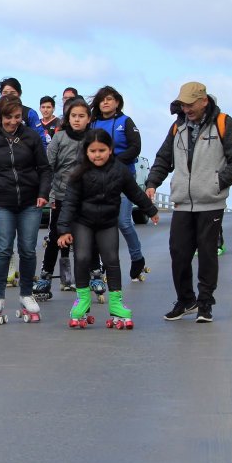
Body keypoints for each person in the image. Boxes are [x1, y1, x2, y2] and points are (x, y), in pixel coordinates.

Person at [145, 82, 232, 323]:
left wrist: (216, 183)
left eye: (190, 104)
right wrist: (152, 183)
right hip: (182, 202)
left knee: (207, 253)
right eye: (183, 104)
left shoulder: (224, 123)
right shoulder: (177, 125)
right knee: (178, 252)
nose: (186, 108)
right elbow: (163, 157)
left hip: (210, 202)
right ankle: (185, 300)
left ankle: (205, 303)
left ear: (204, 101)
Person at [59, 129, 159, 329]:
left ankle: (116, 304)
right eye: (93, 151)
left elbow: (135, 193)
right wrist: (63, 229)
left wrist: (150, 210)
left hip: (107, 223)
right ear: (86, 152)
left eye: (102, 150)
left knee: (112, 260)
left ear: (110, 149)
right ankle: (82, 300)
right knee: (82, 258)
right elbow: (69, 201)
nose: (97, 155)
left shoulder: (120, 170)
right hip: (83, 222)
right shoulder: (79, 171)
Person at [0, 96, 51, 324]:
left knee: (28, 249)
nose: (13, 121)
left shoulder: (32, 137)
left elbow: (44, 169)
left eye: (17, 117)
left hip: (30, 202)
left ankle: (26, 294)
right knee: (3, 249)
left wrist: (43, 193)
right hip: (2, 202)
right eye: (8, 117)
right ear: (0, 117)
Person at [89, 86, 147, 280]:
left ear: (117, 103)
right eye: (102, 100)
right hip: (97, 180)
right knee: (101, 225)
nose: (105, 102)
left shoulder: (125, 121)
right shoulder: (93, 122)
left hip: (122, 178)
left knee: (123, 221)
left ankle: (137, 258)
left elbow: (135, 146)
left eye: (110, 99)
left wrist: (115, 162)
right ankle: (103, 265)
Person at [37, 97, 90, 298]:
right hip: (60, 195)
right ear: (67, 118)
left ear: (88, 118)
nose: (77, 120)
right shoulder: (59, 138)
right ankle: (46, 276)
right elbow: (47, 167)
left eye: (81, 116)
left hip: (85, 198)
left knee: (86, 238)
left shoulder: (92, 138)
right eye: (73, 116)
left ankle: (92, 274)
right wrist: (48, 194)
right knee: (55, 237)